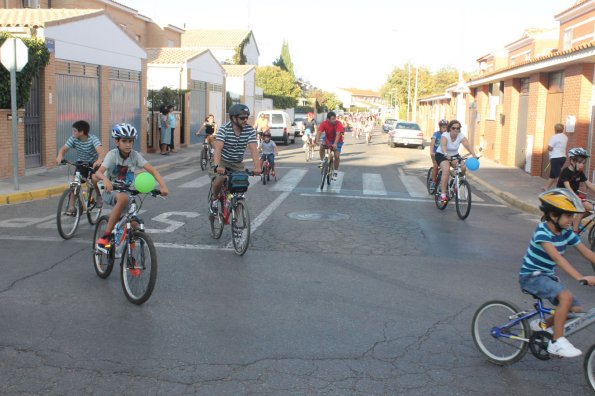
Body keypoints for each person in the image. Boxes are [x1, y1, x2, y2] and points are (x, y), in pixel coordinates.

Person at [519, 188, 595, 358]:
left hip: (548, 277)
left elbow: (588, 254)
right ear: (554, 215)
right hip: (531, 276)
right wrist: (580, 277)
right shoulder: (542, 232)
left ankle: (542, 326)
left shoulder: (566, 232)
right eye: (568, 215)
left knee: (574, 309)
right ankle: (557, 341)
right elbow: (558, 259)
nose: (572, 220)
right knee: (565, 297)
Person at [95, 123, 169, 248]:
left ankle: (130, 259)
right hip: (109, 191)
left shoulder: (135, 155)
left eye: (130, 141)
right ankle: (106, 236)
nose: (128, 144)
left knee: (134, 225)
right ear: (117, 141)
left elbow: (152, 170)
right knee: (123, 198)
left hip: (126, 192)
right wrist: (105, 180)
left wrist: (163, 186)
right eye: (124, 141)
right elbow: (98, 172)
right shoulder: (112, 155)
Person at [209, 104, 261, 214]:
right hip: (221, 160)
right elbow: (218, 149)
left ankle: (237, 226)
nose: (245, 120)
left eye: (247, 117)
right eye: (242, 118)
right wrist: (218, 166)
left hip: (237, 163)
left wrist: (257, 167)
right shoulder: (224, 129)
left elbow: (253, 150)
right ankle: (214, 199)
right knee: (220, 179)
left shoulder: (249, 130)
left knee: (239, 192)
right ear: (233, 118)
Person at [55, 120, 105, 210]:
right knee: (75, 181)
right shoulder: (73, 138)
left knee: (94, 179)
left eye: (74, 131)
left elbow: (101, 152)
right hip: (82, 162)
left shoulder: (93, 139)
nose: (73, 133)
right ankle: (71, 206)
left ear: (81, 132)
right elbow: (63, 149)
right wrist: (60, 155)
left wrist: (99, 160)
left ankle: (98, 196)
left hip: (94, 163)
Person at [435, 119, 479, 202]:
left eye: (458, 128)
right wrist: (445, 154)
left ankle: (456, 181)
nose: (456, 130)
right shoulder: (445, 135)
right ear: (449, 128)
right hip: (442, 155)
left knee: (463, 167)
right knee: (446, 170)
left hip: (454, 155)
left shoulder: (460, 135)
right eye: (453, 128)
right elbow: (443, 145)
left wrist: (474, 155)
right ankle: (443, 194)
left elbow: (467, 145)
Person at [556, 147, 595, 233]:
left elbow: (589, 184)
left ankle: (575, 222)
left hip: (574, 194)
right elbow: (568, 187)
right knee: (582, 208)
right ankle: (575, 232)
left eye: (583, 163)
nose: (582, 165)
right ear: (572, 161)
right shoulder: (565, 171)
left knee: (590, 209)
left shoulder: (579, 172)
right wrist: (577, 199)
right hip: (563, 194)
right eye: (579, 162)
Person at [314, 111, 345, 180]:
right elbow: (319, 132)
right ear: (327, 119)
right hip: (328, 140)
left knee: (336, 156)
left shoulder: (338, 123)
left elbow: (338, 134)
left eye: (335, 118)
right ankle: (322, 162)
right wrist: (317, 140)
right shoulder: (324, 123)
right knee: (322, 146)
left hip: (338, 141)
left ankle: (335, 172)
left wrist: (335, 143)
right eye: (332, 119)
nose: (334, 120)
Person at [544, 123, 568, 191]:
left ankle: (561, 189)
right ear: (562, 129)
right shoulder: (565, 137)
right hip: (563, 157)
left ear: (555, 129)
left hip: (555, 157)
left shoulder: (554, 137)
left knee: (558, 175)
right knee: (553, 174)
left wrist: (548, 148)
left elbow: (550, 147)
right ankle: (546, 187)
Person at [429, 119, 449, 190]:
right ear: (440, 127)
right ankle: (433, 182)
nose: (445, 129)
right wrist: (431, 152)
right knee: (435, 166)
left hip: (443, 154)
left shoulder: (448, 135)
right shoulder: (436, 134)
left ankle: (443, 183)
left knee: (446, 168)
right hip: (435, 153)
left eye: (446, 127)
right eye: (443, 127)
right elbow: (432, 144)